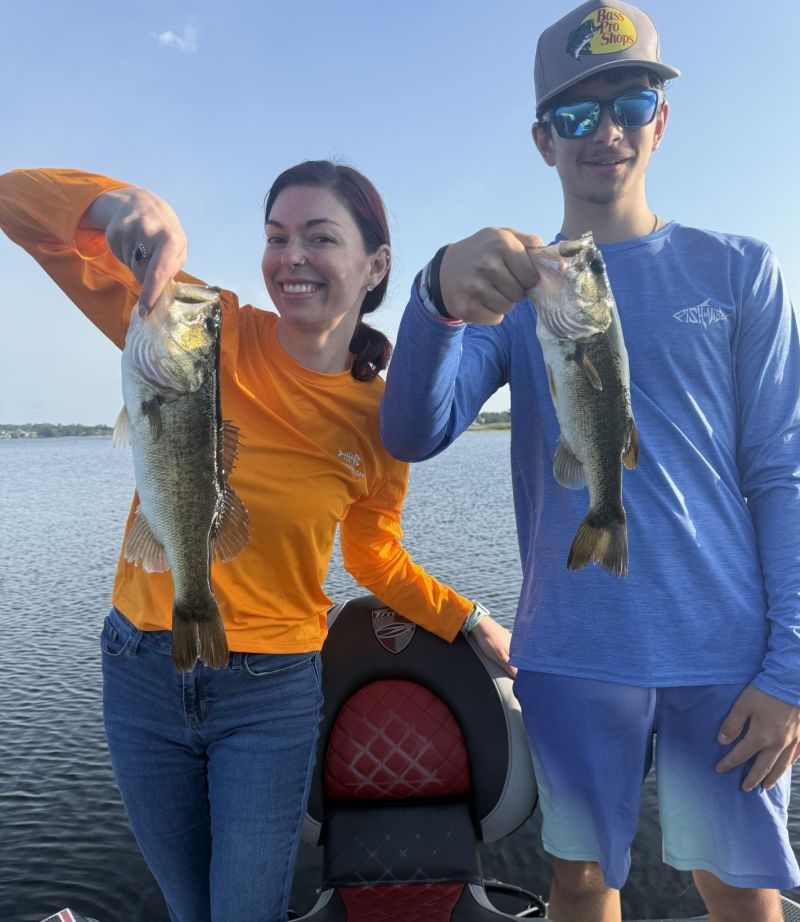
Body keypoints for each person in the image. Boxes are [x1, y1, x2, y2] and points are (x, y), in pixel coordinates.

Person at [378, 3, 800, 921]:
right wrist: (435, 297)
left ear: (663, 116)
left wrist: (792, 672)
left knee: (740, 886)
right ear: (543, 140)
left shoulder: (742, 271)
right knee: (580, 877)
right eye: (576, 114)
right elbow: (415, 430)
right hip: (572, 645)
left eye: (631, 101)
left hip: (726, 651)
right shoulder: (519, 287)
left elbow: (784, 475)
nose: (605, 131)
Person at [0, 161, 513, 922]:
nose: (291, 257)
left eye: (319, 237)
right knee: (187, 907)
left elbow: (375, 556)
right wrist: (119, 206)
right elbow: (19, 208)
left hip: (269, 694)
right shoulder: (198, 325)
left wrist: (469, 619)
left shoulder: (383, 417)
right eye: (276, 237)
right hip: (140, 666)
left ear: (375, 266)